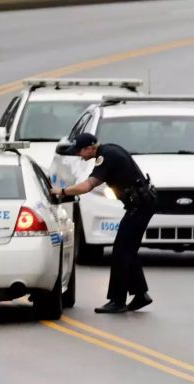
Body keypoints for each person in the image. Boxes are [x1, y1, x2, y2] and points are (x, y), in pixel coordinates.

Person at [51, 133, 157, 314]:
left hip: (140, 207)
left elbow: (87, 186)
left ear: (90, 148)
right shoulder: (110, 150)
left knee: (121, 251)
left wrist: (62, 191)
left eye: (80, 152)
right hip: (141, 205)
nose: (79, 156)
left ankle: (117, 301)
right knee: (127, 249)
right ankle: (140, 295)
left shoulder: (105, 157)